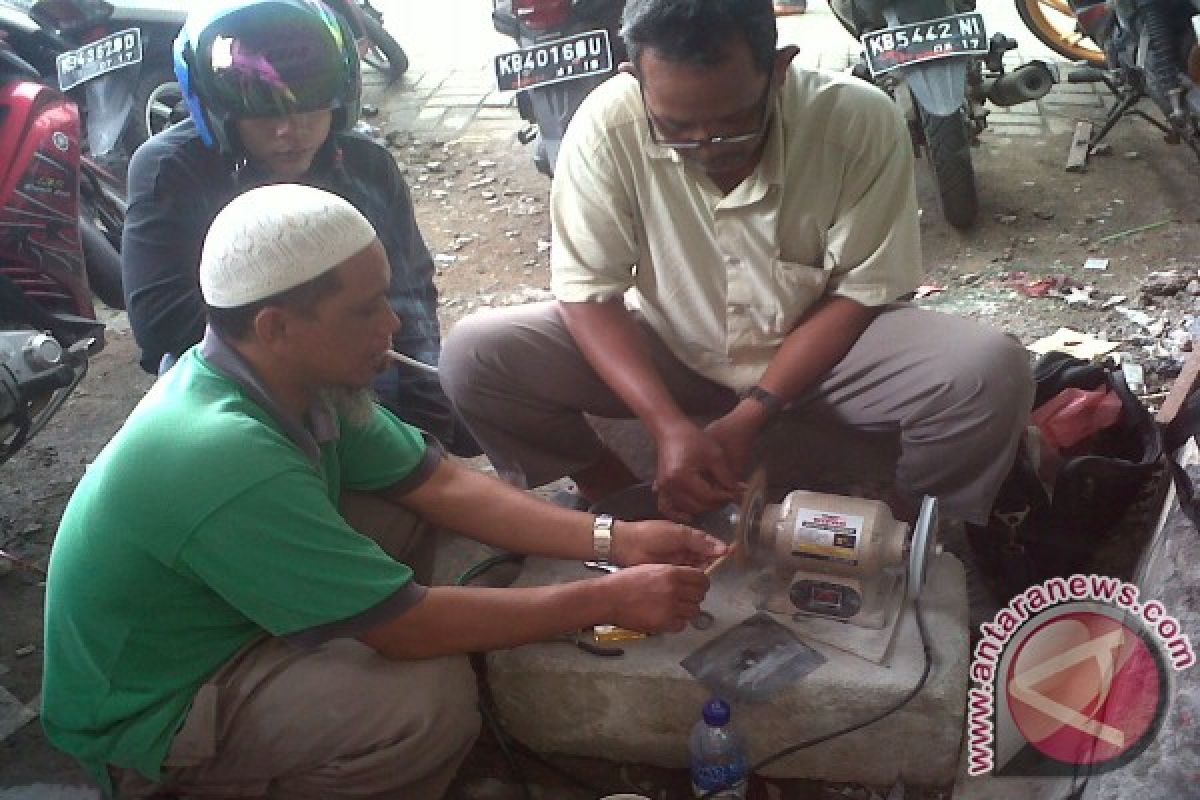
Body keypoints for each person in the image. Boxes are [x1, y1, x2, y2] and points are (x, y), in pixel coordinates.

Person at [43, 184, 724, 799]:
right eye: (366, 310)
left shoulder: (293, 381)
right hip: (155, 710)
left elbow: (443, 484)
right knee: (425, 703)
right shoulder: (222, 452)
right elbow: (407, 631)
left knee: (449, 533)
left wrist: (617, 538)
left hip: (222, 618)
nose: (392, 327)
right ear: (276, 325)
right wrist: (606, 596)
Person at [439, 0, 1034, 527]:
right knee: (476, 354)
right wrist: (666, 425)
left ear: (779, 70)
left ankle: (909, 525)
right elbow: (588, 295)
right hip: (671, 345)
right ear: (635, 80)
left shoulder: (859, 118)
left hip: (827, 358)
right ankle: (614, 493)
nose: (705, 150)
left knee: (988, 372)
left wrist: (754, 412)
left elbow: (861, 292)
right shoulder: (604, 126)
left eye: (732, 126)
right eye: (675, 129)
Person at [120, 0, 478, 455]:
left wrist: (427, 415)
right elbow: (163, 324)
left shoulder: (366, 166)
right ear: (217, 113)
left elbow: (409, 290)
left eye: (310, 109)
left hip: (358, 360)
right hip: (244, 377)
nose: (291, 130)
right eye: (265, 115)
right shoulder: (171, 169)